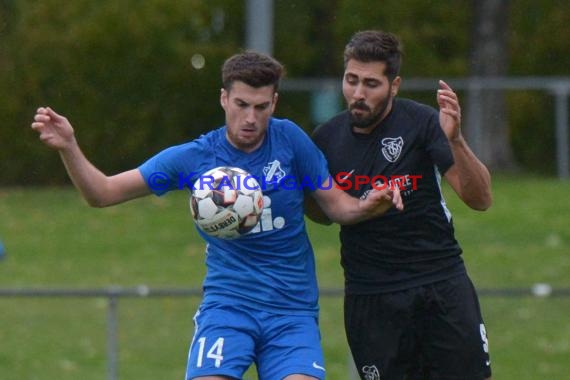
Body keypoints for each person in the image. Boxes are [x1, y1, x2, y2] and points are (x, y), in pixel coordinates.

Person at [31, 51, 402, 380]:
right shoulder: (194, 160)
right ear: (224, 98)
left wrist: (367, 205)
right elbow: (103, 193)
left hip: (291, 312)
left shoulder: (290, 142)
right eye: (241, 104)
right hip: (228, 308)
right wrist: (69, 147)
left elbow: (337, 205)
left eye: (261, 107)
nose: (251, 118)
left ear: (274, 102)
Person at [307, 31, 493, 380]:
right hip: (371, 296)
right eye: (351, 80)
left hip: (440, 284)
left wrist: (455, 140)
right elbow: (322, 215)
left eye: (371, 84)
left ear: (394, 85)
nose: (358, 94)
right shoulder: (326, 139)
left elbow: (480, 198)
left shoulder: (422, 123)